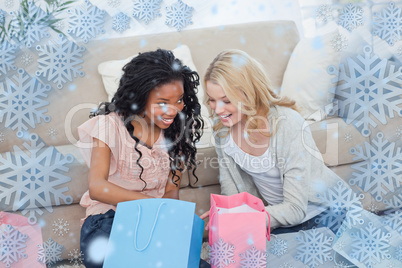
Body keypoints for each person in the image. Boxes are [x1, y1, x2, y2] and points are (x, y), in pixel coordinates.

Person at [77, 49, 209, 267]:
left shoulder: (178, 134)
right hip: (109, 219)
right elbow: (97, 187)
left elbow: (170, 191)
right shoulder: (109, 126)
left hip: (153, 221)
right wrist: (154, 206)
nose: (174, 110)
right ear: (139, 98)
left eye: (179, 100)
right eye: (163, 102)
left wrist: (174, 219)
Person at [201, 49, 346, 234]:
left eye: (226, 100)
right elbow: (232, 193)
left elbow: (295, 209)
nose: (218, 110)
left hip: (323, 213)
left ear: (248, 93)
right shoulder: (222, 129)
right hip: (278, 218)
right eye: (212, 100)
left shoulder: (288, 124)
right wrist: (227, 213)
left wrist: (247, 218)